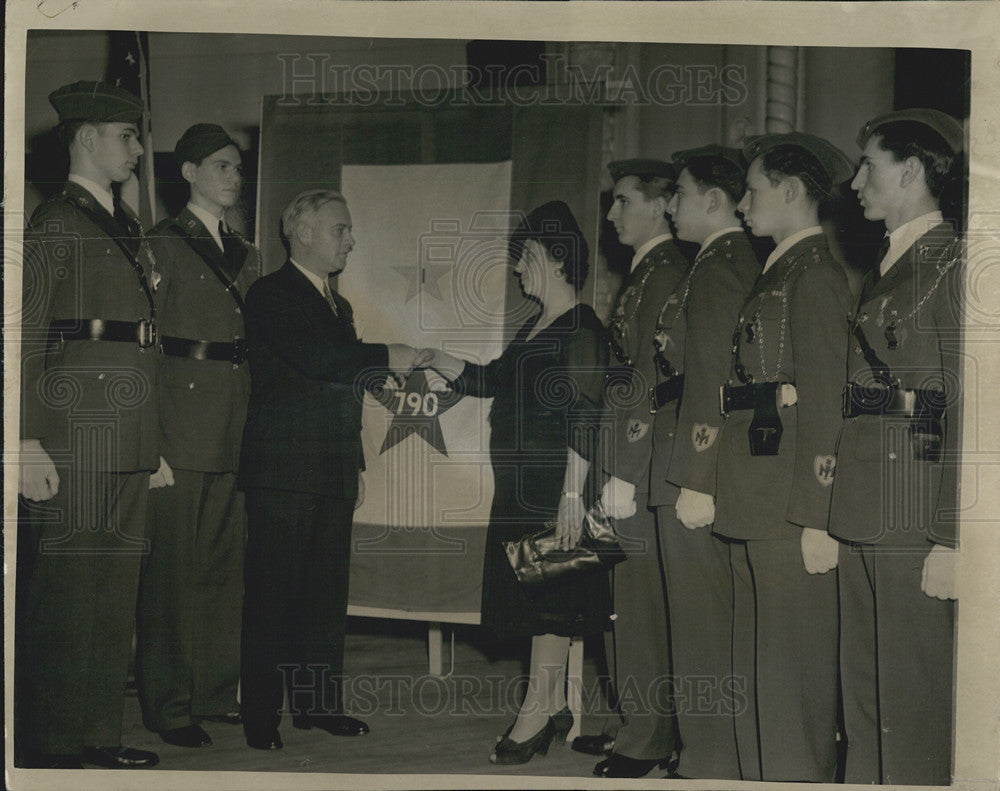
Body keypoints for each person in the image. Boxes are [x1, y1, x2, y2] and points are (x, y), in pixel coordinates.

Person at [237, 189, 426, 750]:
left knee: (323, 594)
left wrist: (373, 393)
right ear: (302, 232)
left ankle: (318, 706)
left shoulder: (336, 304)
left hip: (332, 465)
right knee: (274, 595)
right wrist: (384, 355)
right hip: (284, 470)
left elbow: (334, 378)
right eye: (340, 229)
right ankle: (261, 717)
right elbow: (316, 361)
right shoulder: (271, 294)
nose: (351, 239)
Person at [424, 201, 611, 765]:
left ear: (556, 260)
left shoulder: (582, 329)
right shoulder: (538, 325)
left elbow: (585, 414)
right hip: (522, 486)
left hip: (555, 485)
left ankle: (536, 713)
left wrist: (573, 496)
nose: (517, 269)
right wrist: (435, 356)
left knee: (549, 598)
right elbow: (492, 380)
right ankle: (551, 705)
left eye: (525, 256)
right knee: (537, 596)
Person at [17, 81, 161, 769]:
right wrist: (22, 439)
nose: (137, 148)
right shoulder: (55, 222)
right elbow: (24, 335)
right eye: (126, 135)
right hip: (74, 432)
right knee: (67, 594)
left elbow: (143, 339)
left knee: (113, 592)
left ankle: (99, 734)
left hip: (128, 434)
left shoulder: (124, 223)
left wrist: (153, 439)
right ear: (85, 139)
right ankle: (49, 747)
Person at [713, 133, 854, 782]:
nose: (743, 204)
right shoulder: (778, 271)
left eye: (754, 188)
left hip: (789, 508)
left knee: (790, 675)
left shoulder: (816, 274)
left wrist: (821, 515)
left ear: (793, 191)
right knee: (754, 667)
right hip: (753, 495)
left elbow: (825, 400)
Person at [829, 109, 964, 786]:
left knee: (911, 697)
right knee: (867, 691)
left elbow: (972, 404)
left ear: (911, 171)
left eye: (870, 165)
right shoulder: (894, 260)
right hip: (866, 501)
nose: (855, 182)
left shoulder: (953, 261)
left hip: (912, 508)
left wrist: (951, 533)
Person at [136, 124, 260, 748]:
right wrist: (148, 439)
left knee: (221, 566)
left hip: (235, 423)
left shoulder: (248, 250)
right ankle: (168, 703)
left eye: (238, 168)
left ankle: (214, 692)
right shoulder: (159, 244)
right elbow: (147, 346)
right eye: (221, 166)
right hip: (181, 424)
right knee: (172, 573)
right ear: (187, 173)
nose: (235, 177)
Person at [660, 145, 761, 780]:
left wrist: (698, 479)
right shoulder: (713, 261)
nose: (670, 205)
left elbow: (714, 381)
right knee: (697, 623)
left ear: (713, 200)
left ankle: (710, 762)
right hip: (691, 455)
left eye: (679, 192)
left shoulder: (723, 265)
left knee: (701, 625)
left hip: (701, 465)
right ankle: (704, 754)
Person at [592, 159, 688, 779]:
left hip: (645, 463)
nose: (612, 214)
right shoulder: (647, 271)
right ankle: (638, 723)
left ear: (658, 206)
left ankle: (649, 736)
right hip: (630, 457)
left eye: (624, 201)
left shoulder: (664, 272)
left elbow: (649, 382)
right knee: (626, 602)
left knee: (642, 604)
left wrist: (623, 469)